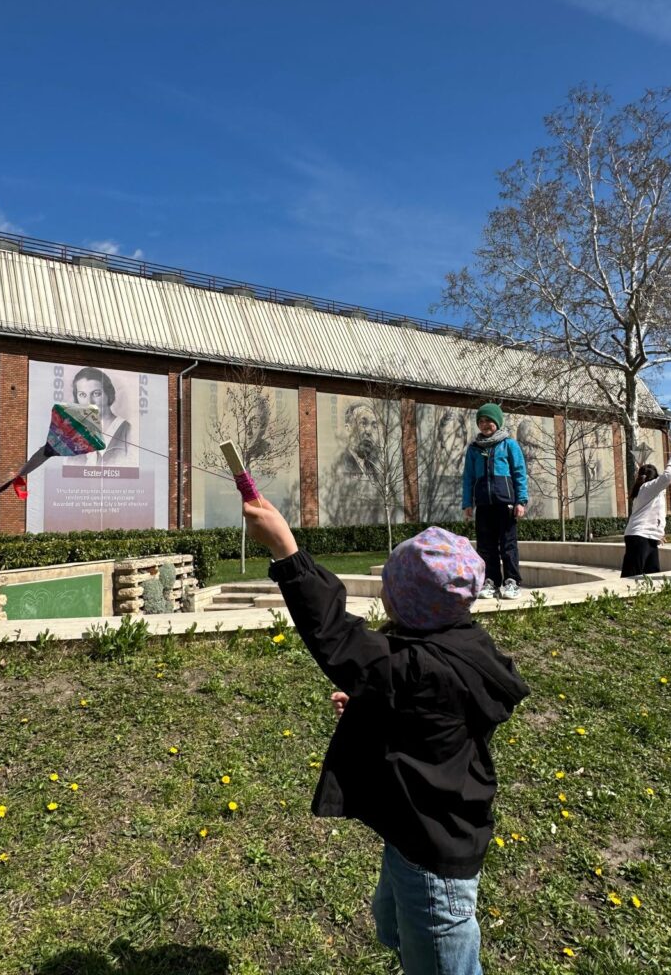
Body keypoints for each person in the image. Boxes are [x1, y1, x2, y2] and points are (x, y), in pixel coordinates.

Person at [243, 496, 530, 975]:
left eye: (389, 588)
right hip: (415, 836)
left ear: (409, 604)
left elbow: (338, 639)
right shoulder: (456, 648)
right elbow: (424, 711)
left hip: (435, 858)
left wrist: (286, 549)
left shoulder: (421, 669)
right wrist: (372, 704)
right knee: (391, 926)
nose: (382, 594)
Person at [462, 403, 528, 600]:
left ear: (497, 422)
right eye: (481, 421)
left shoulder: (509, 445)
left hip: (505, 503)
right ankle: (490, 581)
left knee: (508, 544)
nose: (484, 424)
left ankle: (512, 581)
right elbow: (468, 478)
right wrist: (467, 503)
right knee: (485, 545)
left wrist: (521, 501)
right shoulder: (474, 449)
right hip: (483, 504)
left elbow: (519, 474)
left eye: (488, 420)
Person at [620, 444, 671, 578]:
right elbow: (669, 475)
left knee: (652, 575)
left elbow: (652, 514)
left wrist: (657, 532)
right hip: (639, 537)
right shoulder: (648, 488)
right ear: (654, 478)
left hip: (648, 537)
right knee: (631, 576)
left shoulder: (643, 490)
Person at [71, 367, 132, 466]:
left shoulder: (127, 430)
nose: (89, 402)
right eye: (82, 395)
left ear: (108, 394)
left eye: (96, 394)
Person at [332, 401, 381, 479]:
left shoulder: (374, 469)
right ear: (348, 428)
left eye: (374, 426)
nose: (369, 431)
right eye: (363, 423)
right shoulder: (340, 466)